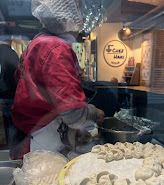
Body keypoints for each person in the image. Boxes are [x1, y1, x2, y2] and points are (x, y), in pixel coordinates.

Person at [11, 0, 104, 159]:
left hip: (32, 141)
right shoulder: (56, 49)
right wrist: (96, 113)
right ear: (69, 13)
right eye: (78, 6)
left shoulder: (38, 42)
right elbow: (74, 116)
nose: (81, 12)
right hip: (43, 149)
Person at [0, 24, 19, 149]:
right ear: (11, 38)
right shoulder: (13, 55)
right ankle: (12, 155)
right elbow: (19, 78)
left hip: (1, 98)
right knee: (12, 130)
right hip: (12, 98)